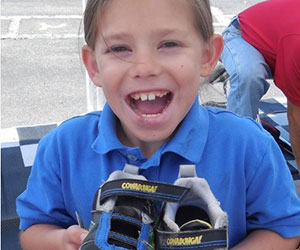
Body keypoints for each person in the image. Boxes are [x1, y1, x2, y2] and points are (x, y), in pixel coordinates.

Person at [16, 0, 300, 249]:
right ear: (93, 66)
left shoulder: (250, 146)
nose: (145, 67)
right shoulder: (62, 148)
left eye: (168, 44)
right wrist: (64, 242)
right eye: (120, 48)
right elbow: (33, 229)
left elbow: (284, 228)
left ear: (206, 56)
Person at [221, 0, 300, 173]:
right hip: (241, 35)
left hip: (277, 43)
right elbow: (295, 115)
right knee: (249, 75)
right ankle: (237, 155)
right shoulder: (296, 42)